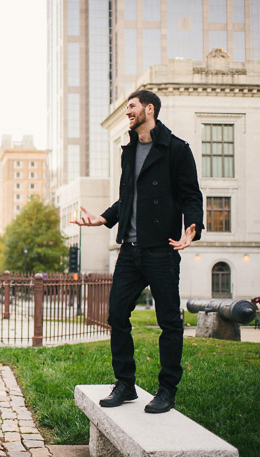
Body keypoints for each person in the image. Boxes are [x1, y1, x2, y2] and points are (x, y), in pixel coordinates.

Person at [72, 89, 203, 414]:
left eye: (131, 107)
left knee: (169, 321)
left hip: (161, 249)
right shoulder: (128, 151)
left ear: (149, 109)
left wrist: (193, 227)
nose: (127, 112)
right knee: (117, 314)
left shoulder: (176, 149)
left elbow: (191, 195)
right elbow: (127, 198)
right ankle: (126, 384)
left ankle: (167, 389)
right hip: (130, 251)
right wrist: (103, 218)